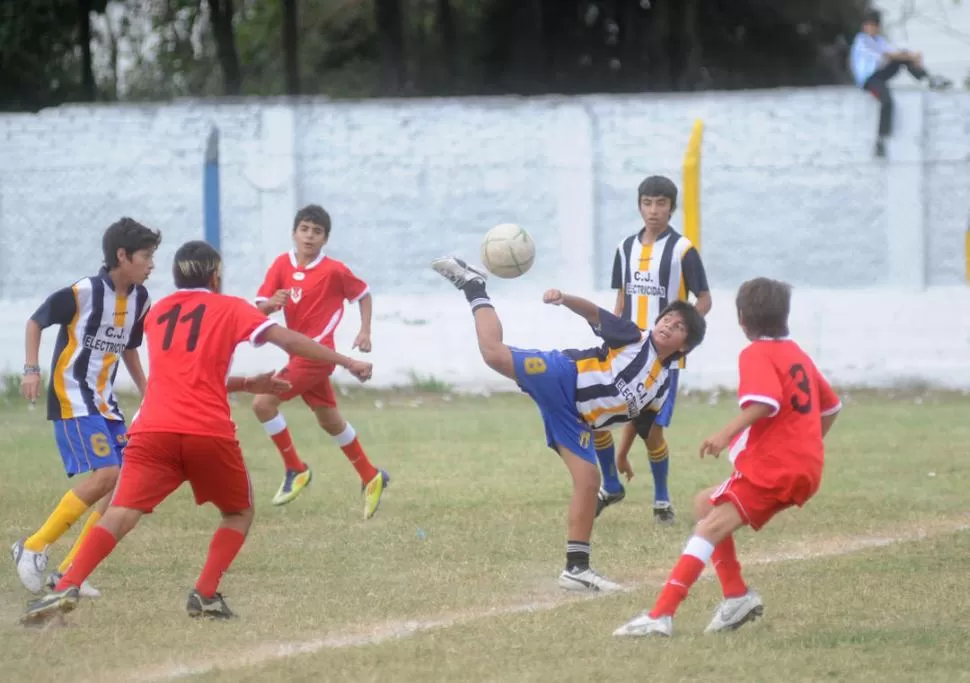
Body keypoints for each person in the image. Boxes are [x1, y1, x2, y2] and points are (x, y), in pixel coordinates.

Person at [20, 241, 374, 626]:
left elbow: (189, 374)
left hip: (153, 429)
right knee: (238, 512)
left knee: (120, 511)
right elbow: (289, 341)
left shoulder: (158, 313)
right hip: (207, 432)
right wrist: (347, 360)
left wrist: (245, 383)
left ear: (175, 275)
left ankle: (67, 583)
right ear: (215, 275)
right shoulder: (232, 308)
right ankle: (204, 594)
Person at [431, 256, 706, 592]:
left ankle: (576, 569)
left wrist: (621, 456)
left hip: (573, 419)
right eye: (667, 318)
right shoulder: (634, 337)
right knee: (494, 354)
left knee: (589, 481)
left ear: (685, 346)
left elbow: (645, 425)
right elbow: (596, 314)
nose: (667, 324)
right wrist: (565, 298)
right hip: (562, 375)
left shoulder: (661, 385)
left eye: (678, 326)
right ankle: (475, 286)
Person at [613, 277, 842, 638]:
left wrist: (726, 433)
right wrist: (807, 446)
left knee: (708, 528)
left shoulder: (756, 353)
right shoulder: (796, 353)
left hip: (774, 468)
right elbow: (831, 406)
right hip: (803, 467)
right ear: (785, 316)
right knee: (705, 504)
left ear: (741, 319)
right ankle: (736, 595)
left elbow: (765, 401)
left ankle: (661, 615)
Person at [11, 218, 161, 599]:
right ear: (122, 256)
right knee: (108, 473)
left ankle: (69, 572)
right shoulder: (85, 292)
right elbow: (36, 321)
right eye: (146, 256)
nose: (152, 265)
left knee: (126, 484)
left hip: (104, 404)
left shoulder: (140, 299)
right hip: (72, 397)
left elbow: (129, 346)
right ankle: (32, 547)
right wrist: (31, 369)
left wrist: (148, 391)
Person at [252, 204, 389, 518]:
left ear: (325, 239)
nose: (309, 236)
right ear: (294, 232)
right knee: (330, 421)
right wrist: (271, 304)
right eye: (305, 229)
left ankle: (295, 469)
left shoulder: (334, 270)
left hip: (315, 357)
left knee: (262, 404)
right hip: (298, 353)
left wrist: (365, 330)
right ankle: (371, 476)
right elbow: (259, 308)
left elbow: (363, 293)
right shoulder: (280, 266)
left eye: (317, 232)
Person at [595, 175, 712, 525]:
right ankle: (611, 482)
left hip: (662, 359)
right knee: (595, 415)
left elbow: (704, 299)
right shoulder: (625, 248)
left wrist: (682, 333)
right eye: (648, 203)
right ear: (639, 206)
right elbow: (621, 300)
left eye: (661, 203)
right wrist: (609, 336)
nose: (654, 210)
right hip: (627, 351)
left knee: (651, 430)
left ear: (672, 208)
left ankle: (661, 500)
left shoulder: (683, 251)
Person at [849, 9, 951, 158]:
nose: (870, 28)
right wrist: (911, 56)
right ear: (864, 27)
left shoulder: (879, 40)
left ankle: (927, 79)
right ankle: (880, 140)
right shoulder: (862, 40)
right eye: (868, 25)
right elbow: (887, 54)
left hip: (880, 75)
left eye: (873, 25)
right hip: (869, 80)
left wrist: (912, 57)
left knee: (903, 60)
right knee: (887, 101)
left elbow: (894, 51)